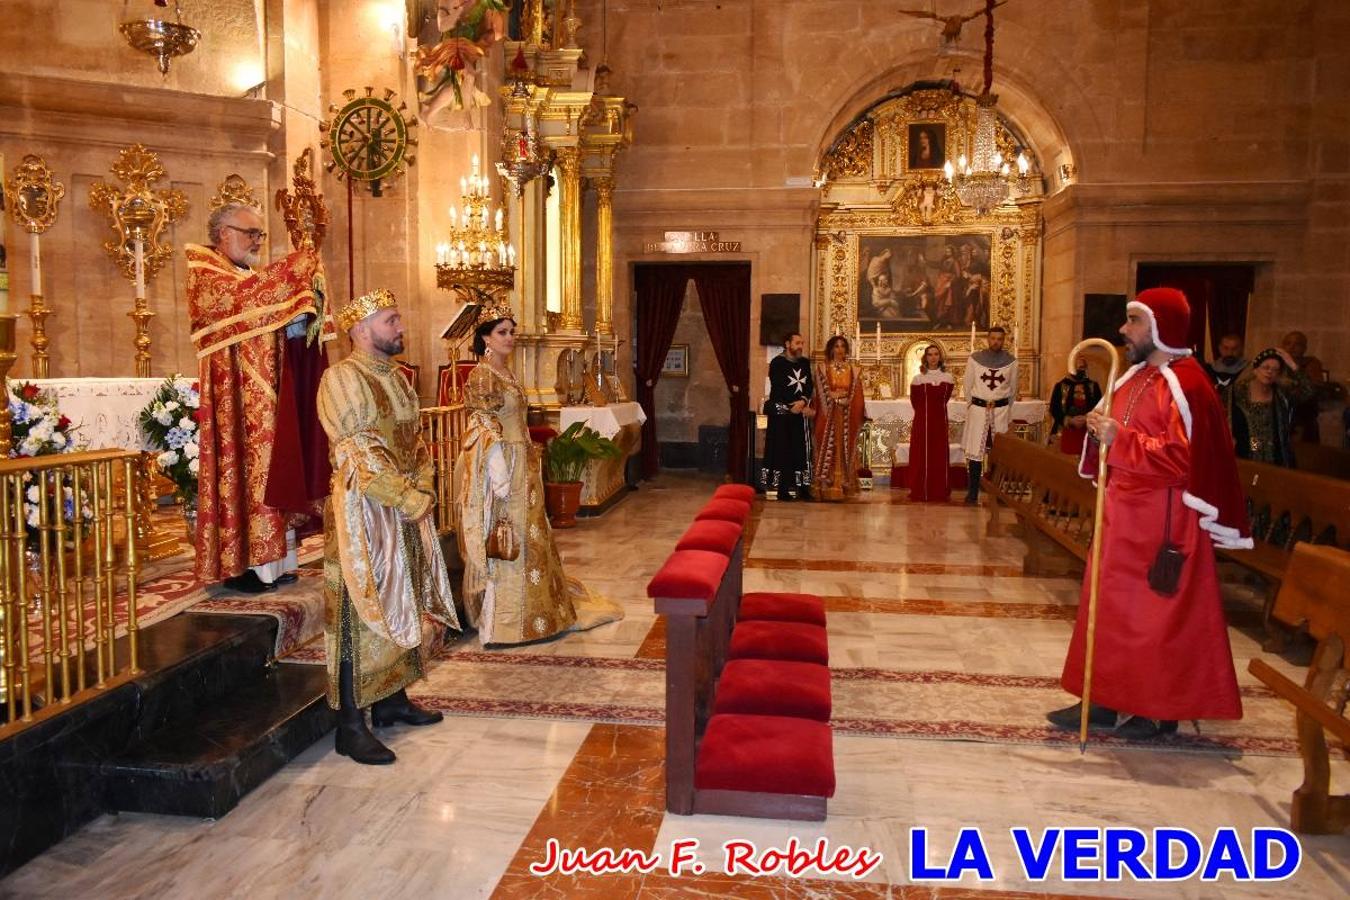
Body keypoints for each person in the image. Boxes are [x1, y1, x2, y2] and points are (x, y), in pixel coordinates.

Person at [1049, 287, 1251, 740]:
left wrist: (1119, 439)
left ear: (1161, 327)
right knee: (1112, 610)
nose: (1123, 330)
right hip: (1122, 517)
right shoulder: (1133, 377)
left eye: (1134, 321)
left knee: (1153, 618)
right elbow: (1114, 436)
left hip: (1162, 522)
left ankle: (1156, 708)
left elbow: (1184, 460)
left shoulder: (1188, 384)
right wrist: (1100, 432)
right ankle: (1102, 696)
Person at [316, 289, 459, 765]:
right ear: (361, 330)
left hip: (402, 509)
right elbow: (356, 449)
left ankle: (393, 701)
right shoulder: (341, 378)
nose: (400, 328)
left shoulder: (395, 378)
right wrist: (403, 495)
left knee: (407, 597)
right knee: (362, 612)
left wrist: (422, 481)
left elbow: (413, 441)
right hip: (364, 513)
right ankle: (351, 725)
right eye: (391, 320)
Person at [455, 301, 623, 646]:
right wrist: (498, 467)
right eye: (502, 332)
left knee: (531, 532)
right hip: (503, 464)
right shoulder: (482, 374)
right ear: (485, 338)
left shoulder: (507, 372)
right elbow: (481, 422)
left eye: (512, 331)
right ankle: (505, 621)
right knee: (509, 534)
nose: (510, 338)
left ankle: (537, 612)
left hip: (523, 464)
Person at [186, 203, 333, 594]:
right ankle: (242, 564)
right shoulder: (207, 275)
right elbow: (249, 300)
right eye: (250, 233)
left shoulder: (247, 276)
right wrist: (297, 268)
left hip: (267, 395)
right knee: (251, 472)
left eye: (259, 234)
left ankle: (276, 561)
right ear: (223, 234)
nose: (256, 241)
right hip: (237, 400)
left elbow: (267, 308)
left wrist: (300, 319)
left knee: (275, 468)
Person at [960, 326, 1018, 503]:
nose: (996, 342)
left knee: (998, 455)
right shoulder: (975, 360)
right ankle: (972, 493)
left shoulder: (1011, 362)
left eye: (1000, 339)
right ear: (988, 338)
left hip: (1000, 412)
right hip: (978, 412)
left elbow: (1013, 389)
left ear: (1004, 340)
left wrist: (1003, 408)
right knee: (975, 454)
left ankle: (998, 494)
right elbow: (967, 384)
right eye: (993, 338)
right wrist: (974, 406)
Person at [1231, 347, 1313, 468]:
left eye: (1275, 370)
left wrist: (1293, 366)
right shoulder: (1237, 392)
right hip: (1247, 450)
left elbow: (1308, 391)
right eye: (1266, 367)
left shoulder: (1282, 394)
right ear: (1255, 369)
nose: (1269, 372)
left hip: (1278, 455)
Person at [810, 336, 866, 502]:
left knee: (843, 447)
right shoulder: (822, 368)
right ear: (831, 349)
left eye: (842, 346)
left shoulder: (854, 370)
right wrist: (832, 396)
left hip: (847, 414)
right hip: (829, 415)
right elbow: (820, 391)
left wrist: (847, 400)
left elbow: (857, 393)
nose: (840, 349)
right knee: (829, 445)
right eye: (836, 346)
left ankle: (842, 485)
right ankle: (826, 486)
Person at [762, 331, 816, 501]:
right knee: (782, 451)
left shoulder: (805, 363)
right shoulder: (777, 363)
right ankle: (783, 489)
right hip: (782, 414)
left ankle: (804, 488)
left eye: (802, 343)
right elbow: (778, 387)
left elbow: (809, 385)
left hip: (799, 413)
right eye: (797, 343)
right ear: (787, 344)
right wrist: (792, 405)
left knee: (801, 452)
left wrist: (802, 401)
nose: (801, 346)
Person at [908, 343, 955, 501]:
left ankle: (938, 489)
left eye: (936, 354)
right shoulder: (918, 379)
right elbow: (915, 402)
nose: (933, 357)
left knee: (938, 454)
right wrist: (924, 414)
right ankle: (920, 488)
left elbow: (945, 399)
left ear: (940, 357)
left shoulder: (948, 378)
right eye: (930, 354)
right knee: (921, 453)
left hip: (940, 421)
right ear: (925, 358)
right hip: (922, 421)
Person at [1048, 355, 1103, 456]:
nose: (1079, 369)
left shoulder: (1093, 386)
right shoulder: (1060, 385)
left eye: (1082, 367)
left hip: (1088, 430)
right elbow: (1054, 408)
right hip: (1065, 430)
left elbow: (1099, 408)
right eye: (1077, 367)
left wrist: (1086, 418)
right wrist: (1069, 420)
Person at [1279, 330, 1326, 442]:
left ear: (1304, 348)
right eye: (1288, 343)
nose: (1292, 347)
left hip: (1302, 419)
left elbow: (1312, 389)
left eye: (1297, 344)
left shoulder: (1311, 364)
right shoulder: (1276, 363)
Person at [1204, 333, 1247, 433]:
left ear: (1241, 349)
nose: (1230, 353)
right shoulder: (1208, 369)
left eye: (1234, 349)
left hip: (1237, 421)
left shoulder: (1247, 371)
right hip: (1212, 418)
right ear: (1220, 348)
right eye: (1226, 348)